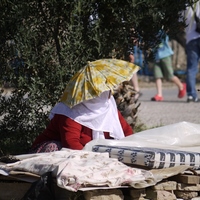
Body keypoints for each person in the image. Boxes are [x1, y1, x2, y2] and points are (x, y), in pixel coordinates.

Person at [30, 90, 133, 153]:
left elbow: (127, 133)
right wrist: (94, 161)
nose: (109, 91)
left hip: (88, 154)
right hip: (64, 152)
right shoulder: (71, 111)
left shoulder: (108, 107)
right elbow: (71, 144)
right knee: (54, 148)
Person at [151, 34, 186, 101]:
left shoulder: (162, 30)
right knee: (157, 76)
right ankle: (159, 94)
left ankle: (181, 86)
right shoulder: (150, 31)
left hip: (165, 55)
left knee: (170, 75)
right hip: (156, 56)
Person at [183, 2, 200, 102]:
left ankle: (191, 95)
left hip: (190, 39)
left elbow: (180, 22)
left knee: (191, 68)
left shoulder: (184, 5)